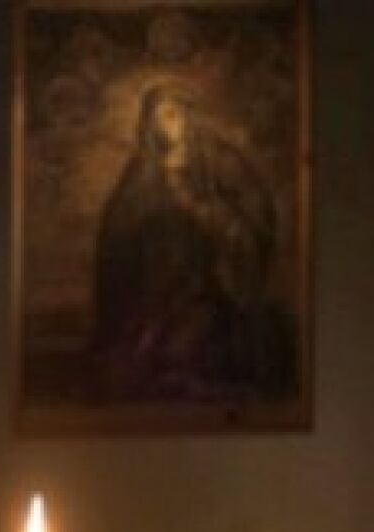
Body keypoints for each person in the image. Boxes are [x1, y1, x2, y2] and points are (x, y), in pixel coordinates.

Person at [91, 79, 293, 402]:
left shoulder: (221, 161)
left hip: (211, 287)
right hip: (156, 290)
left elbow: (253, 220)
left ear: (189, 116)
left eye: (173, 114)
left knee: (190, 351)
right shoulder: (142, 170)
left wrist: (200, 212)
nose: (166, 125)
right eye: (158, 118)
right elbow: (118, 232)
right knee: (136, 363)